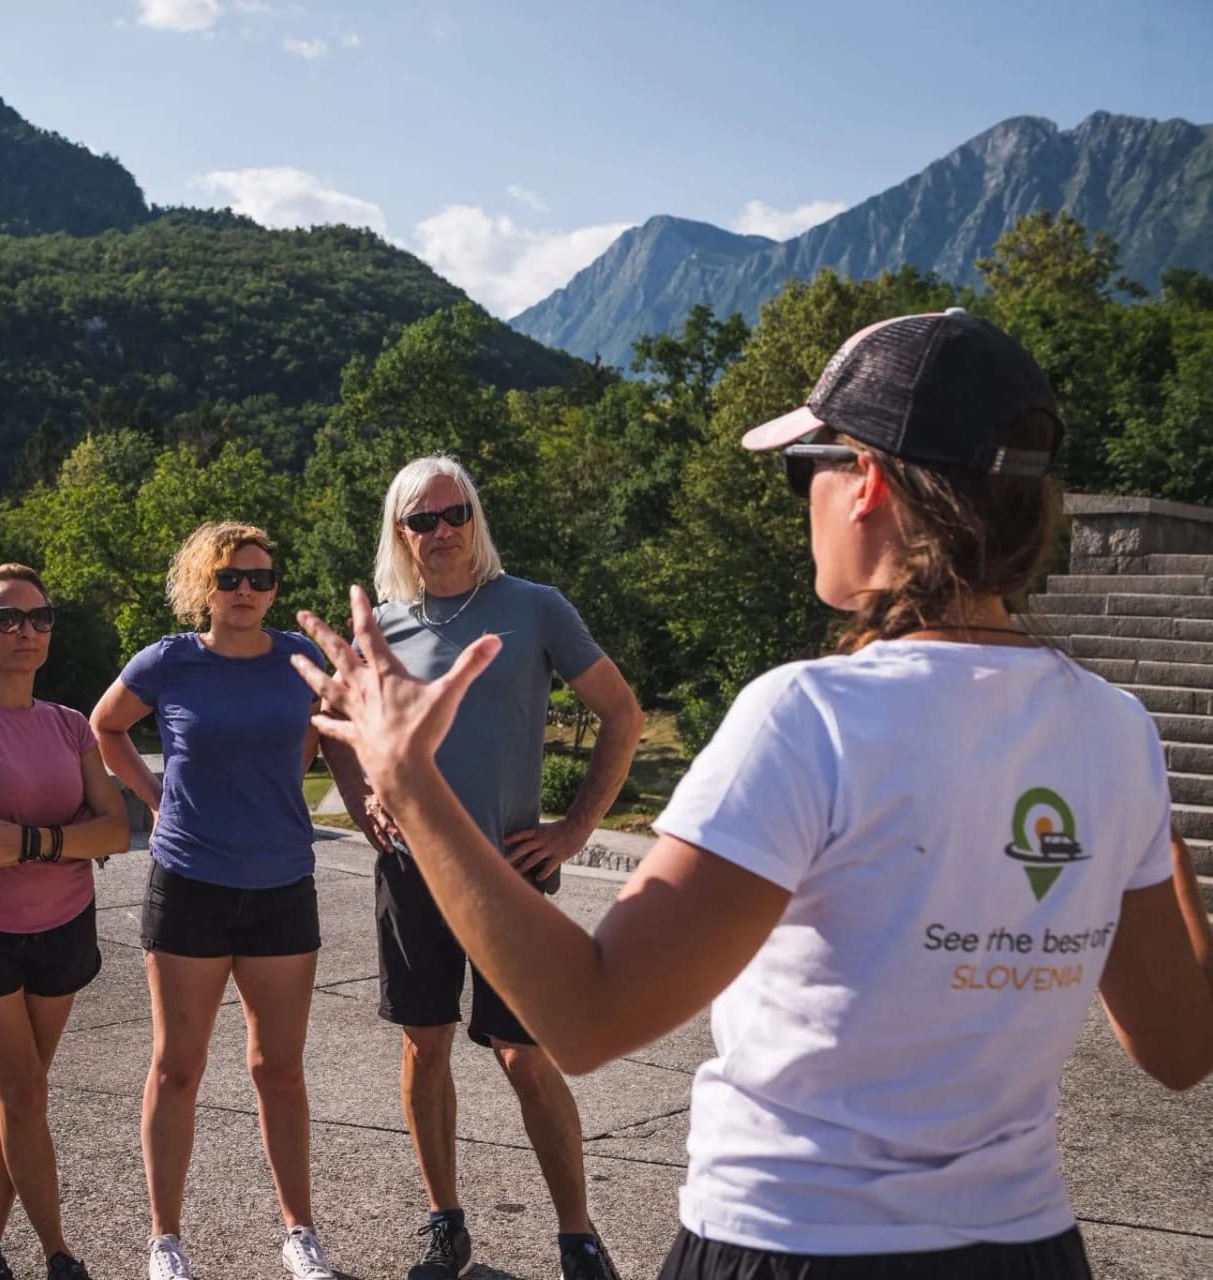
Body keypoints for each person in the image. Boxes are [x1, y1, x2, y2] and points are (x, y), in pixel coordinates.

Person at [293, 311, 1213, 1280]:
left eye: (803, 465)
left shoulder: (809, 712)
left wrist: (408, 778)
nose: (799, 498)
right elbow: (1180, 1046)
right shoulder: (1115, 728)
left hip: (793, 1240)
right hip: (1028, 1249)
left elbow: (589, 1016)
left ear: (868, 481)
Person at [317, 455, 642, 1280]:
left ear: (475, 517)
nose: (442, 531)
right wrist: (366, 808)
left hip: (506, 874)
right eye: (422, 520)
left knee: (523, 1052)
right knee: (424, 1045)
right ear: (400, 532)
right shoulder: (382, 627)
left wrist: (574, 829)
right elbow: (332, 727)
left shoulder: (534, 608)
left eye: (454, 512)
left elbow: (622, 714)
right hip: (409, 871)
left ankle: (578, 1237)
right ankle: (446, 1225)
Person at [91, 523, 337, 1280]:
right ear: (205, 585)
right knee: (177, 1067)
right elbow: (106, 726)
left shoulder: (302, 660)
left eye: (261, 579)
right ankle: (165, 1240)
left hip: (280, 885)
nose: (246, 592)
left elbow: (318, 741)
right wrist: (154, 798)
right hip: (190, 883)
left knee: (280, 1069)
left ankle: (299, 1232)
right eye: (230, 578)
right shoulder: (170, 660)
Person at [0, 564, 133, 1280]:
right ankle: (59, 1253)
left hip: (64, 924)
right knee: (23, 1090)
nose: (27, 632)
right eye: (8, 619)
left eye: (40, 618)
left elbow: (116, 832)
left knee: (23, 1092)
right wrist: (63, 836)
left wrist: (30, 841)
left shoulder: (70, 724)